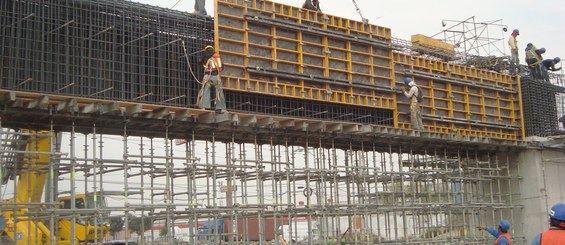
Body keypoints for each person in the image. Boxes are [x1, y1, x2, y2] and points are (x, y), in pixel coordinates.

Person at [196, 45, 227, 113]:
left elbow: (198, 62)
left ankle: (205, 107)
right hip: (216, 77)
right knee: (219, 92)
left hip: (208, 77)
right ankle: (221, 108)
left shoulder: (204, 55)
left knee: (206, 91)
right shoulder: (217, 56)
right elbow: (222, 67)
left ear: (205, 50)